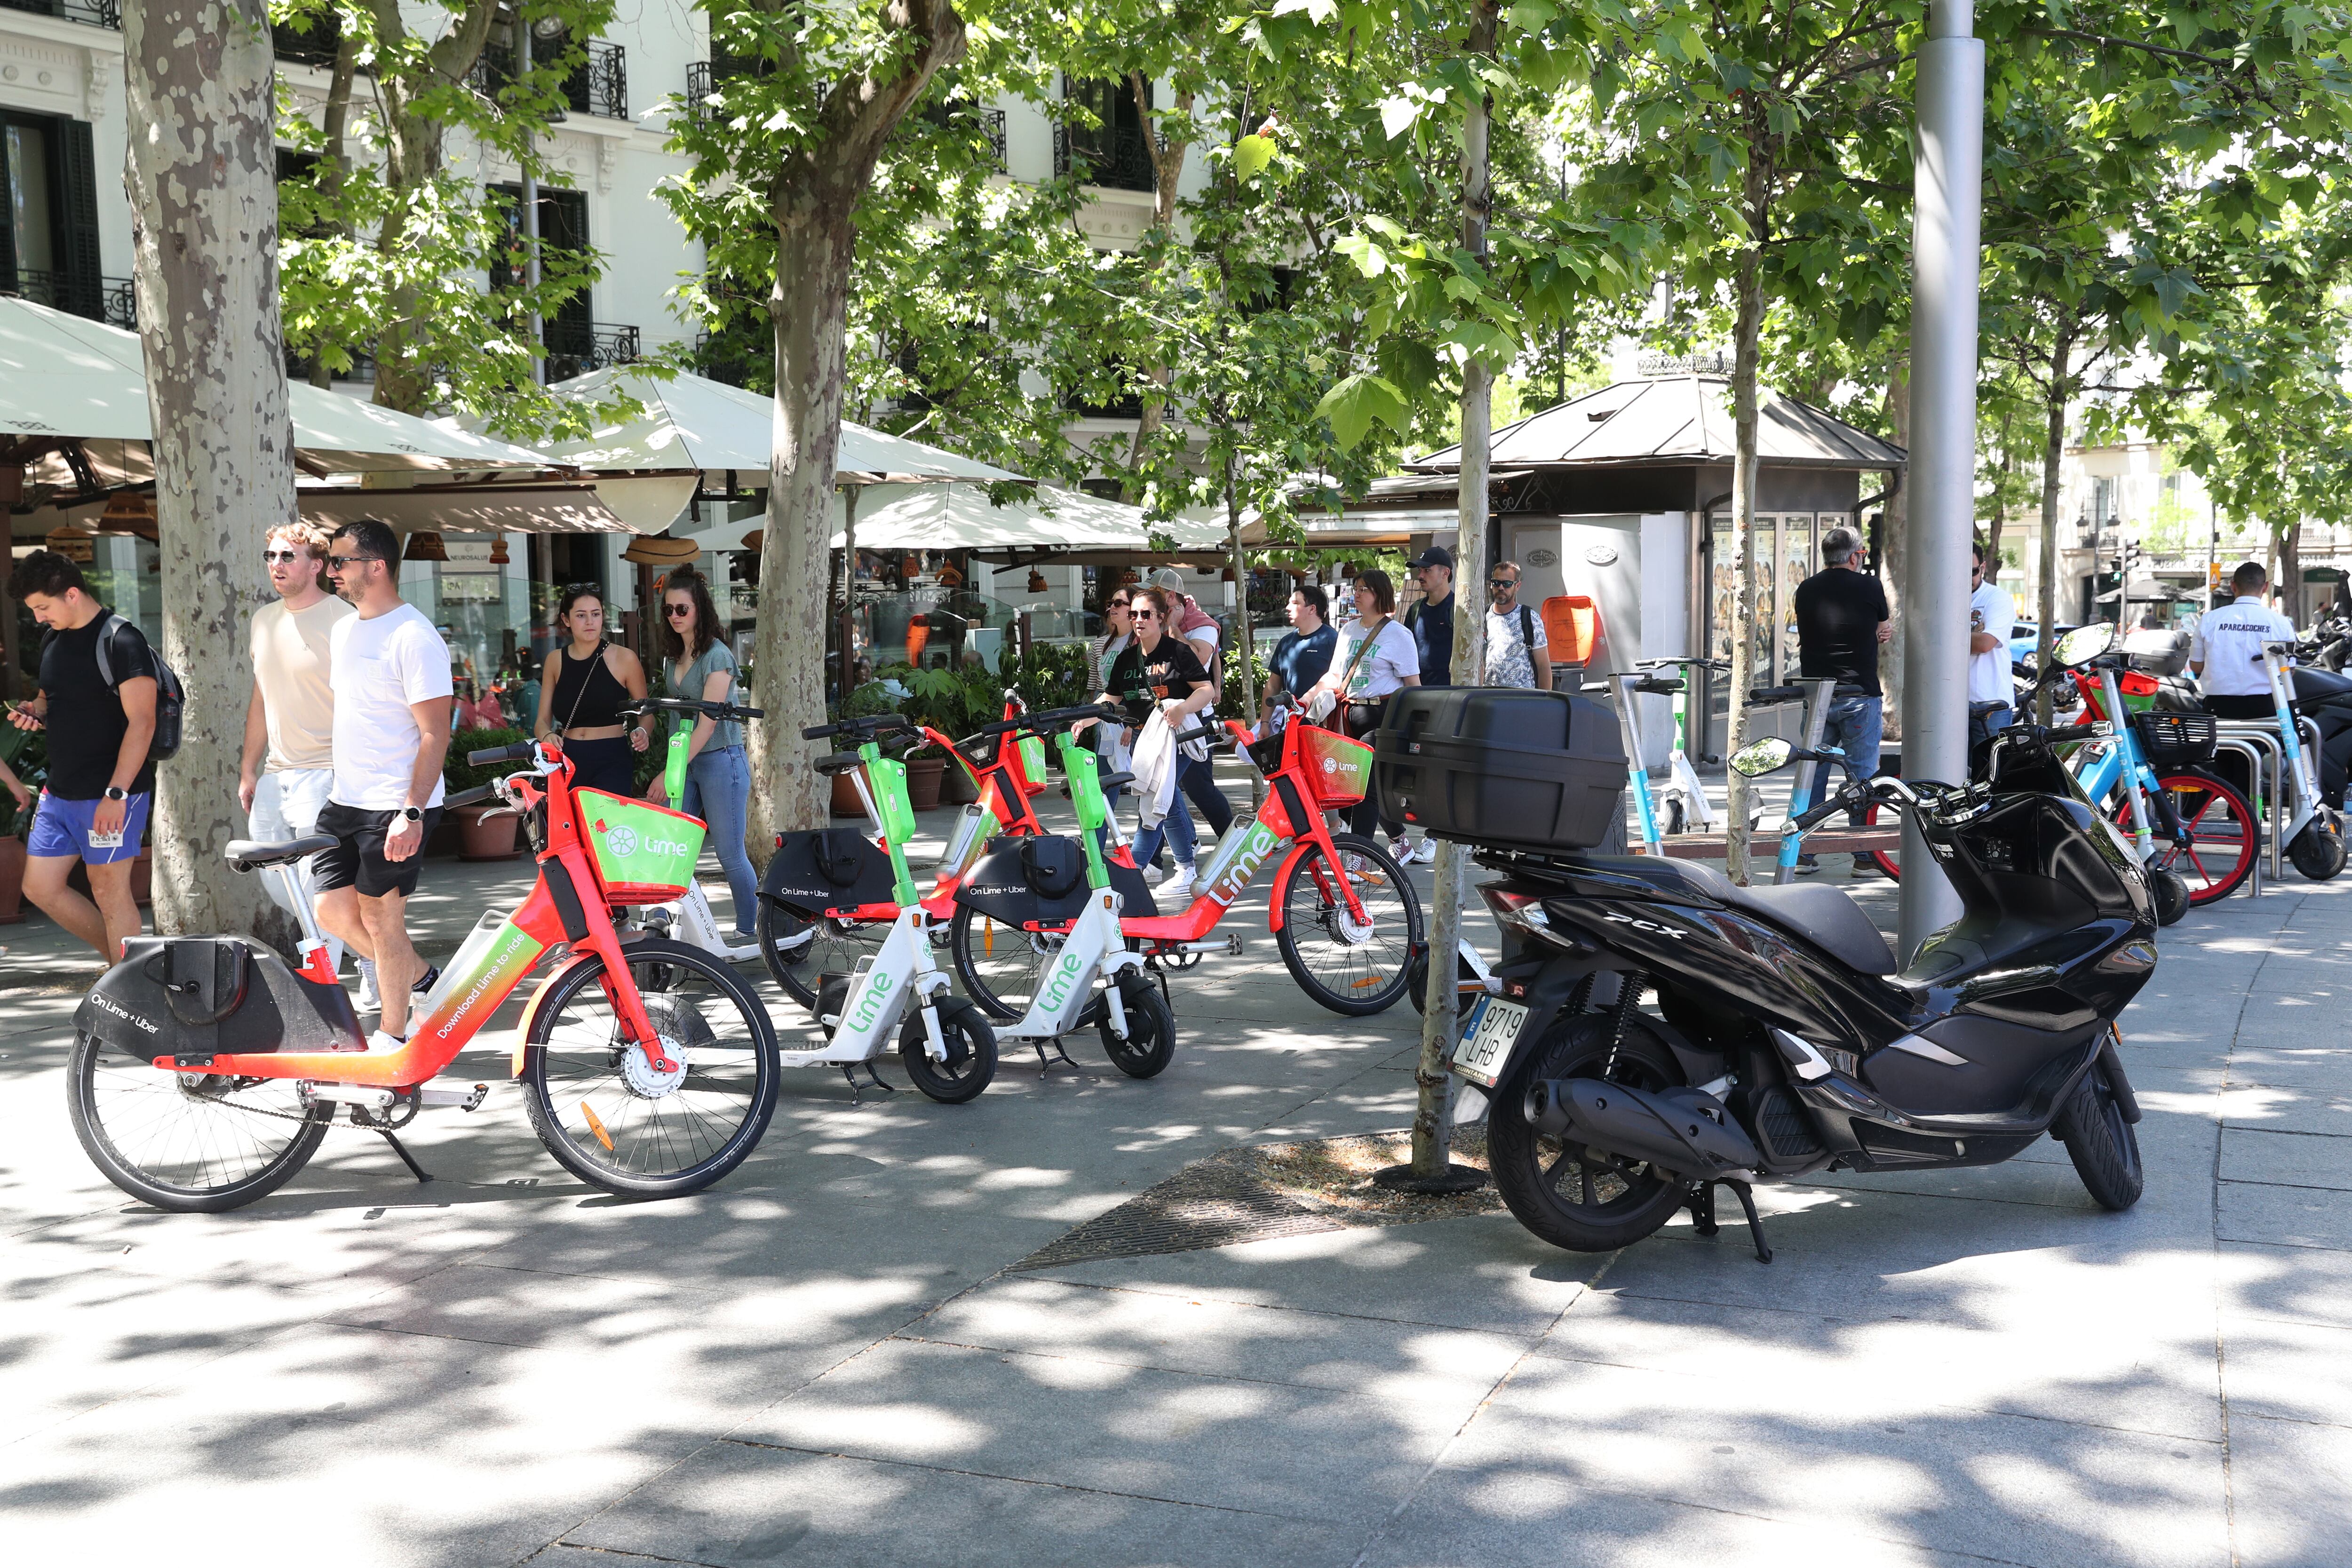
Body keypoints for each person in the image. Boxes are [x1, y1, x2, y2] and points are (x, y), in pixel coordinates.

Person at [314, 519, 453, 1049]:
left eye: (339, 561)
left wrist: (412, 812)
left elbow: (434, 733)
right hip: (344, 798)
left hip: (395, 805)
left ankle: (393, 1039)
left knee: (379, 917)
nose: (332, 571)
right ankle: (420, 978)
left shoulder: (414, 637)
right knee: (331, 910)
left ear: (376, 567)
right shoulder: (345, 628)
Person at [5, 549, 156, 961]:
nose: (37, 617)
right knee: (40, 887)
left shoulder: (122, 641)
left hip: (112, 791)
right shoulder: (53, 636)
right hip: (61, 789)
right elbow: (49, 696)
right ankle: (121, 969)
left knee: (109, 889)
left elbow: (143, 723)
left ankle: (129, 984)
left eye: (42, 607)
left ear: (72, 594)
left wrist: (117, 794)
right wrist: (34, 711)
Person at [239, 520, 357, 979]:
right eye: (271, 556)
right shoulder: (263, 620)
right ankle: (366, 948)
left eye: (288, 556)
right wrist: (249, 770)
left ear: (318, 566)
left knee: (315, 889)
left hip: (327, 772)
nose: (276, 565)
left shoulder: (345, 620)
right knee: (276, 881)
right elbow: (260, 698)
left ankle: (320, 987)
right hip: (276, 774)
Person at [1093, 587, 1217, 902]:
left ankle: (1144, 868)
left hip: (1178, 738)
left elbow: (1206, 690)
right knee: (1162, 798)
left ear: (1161, 618)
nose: (1138, 620)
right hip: (1143, 740)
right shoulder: (1126, 659)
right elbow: (1111, 698)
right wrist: (1085, 719)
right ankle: (1177, 864)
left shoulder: (1178, 652)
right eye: (1133, 614)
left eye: (1146, 614)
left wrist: (1183, 707)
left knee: (1158, 796)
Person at [660, 570, 759, 945]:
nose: (675, 614)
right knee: (672, 850)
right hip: (686, 760)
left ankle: (751, 930)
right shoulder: (675, 655)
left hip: (720, 759)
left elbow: (707, 723)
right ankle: (674, 930)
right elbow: (675, 714)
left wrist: (668, 771)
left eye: (682, 607)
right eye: (669, 609)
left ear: (699, 608)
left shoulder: (718, 655)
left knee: (730, 854)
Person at [1789, 525, 1892, 877]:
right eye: (1861, 554)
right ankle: (1863, 856)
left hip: (1817, 695)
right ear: (1853, 556)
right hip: (1859, 694)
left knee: (1810, 775)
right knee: (1863, 775)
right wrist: (1880, 631)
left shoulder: (1806, 589)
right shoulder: (1870, 586)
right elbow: (1882, 623)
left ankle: (1803, 853)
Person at [1306, 569, 1423, 863]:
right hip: (1349, 714)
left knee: (1365, 784)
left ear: (1380, 594)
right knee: (1358, 785)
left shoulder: (1399, 635)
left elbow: (1413, 687)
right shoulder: (1347, 630)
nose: (1357, 594)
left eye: (1364, 589)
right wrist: (1307, 700)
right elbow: (1335, 675)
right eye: (1356, 588)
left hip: (1383, 716)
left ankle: (1358, 853)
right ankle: (1400, 841)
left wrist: (1417, 726)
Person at [533, 584, 650, 797]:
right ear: (566, 620)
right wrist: (547, 735)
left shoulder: (625, 658)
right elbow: (541, 721)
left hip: (611, 757)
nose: (590, 621)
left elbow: (647, 712)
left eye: (596, 614)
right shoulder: (555, 660)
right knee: (568, 829)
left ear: (602, 617)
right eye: (581, 615)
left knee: (605, 827)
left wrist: (643, 732)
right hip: (567, 757)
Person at [1149, 567, 1235, 843]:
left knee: (1199, 789)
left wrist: (1174, 628)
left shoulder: (1203, 626)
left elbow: (1201, 660)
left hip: (1196, 720)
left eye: (1155, 592)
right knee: (1162, 788)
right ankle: (1174, 848)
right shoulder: (1162, 620)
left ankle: (1231, 842)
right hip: (1167, 716)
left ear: (1170, 596)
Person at [2191, 561, 2298, 721]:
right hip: (2265, 707)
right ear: (2265, 587)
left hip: (2218, 707)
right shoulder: (2281, 624)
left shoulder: (2208, 620)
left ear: (2233, 586)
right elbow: (2289, 670)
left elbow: (2196, 665)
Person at [1967, 541, 2017, 750]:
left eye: (1972, 571)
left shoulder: (1997, 598)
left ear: (1984, 568)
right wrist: (1973, 633)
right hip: (1948, 706)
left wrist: (1942, 636)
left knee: (1989, 775)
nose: (1965, 578)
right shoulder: (1938, 598)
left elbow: (1986, 643)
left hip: (1990, 705)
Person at [1265, 585, 1338, 708]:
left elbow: (1339, 680)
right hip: (1290, 722)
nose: (1288, 608)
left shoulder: (1334, 640)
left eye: (1295, 603)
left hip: (1323, 723)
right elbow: (1273, 686)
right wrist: (1265, 723)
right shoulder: (1286, 642)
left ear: (1312, 609)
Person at [1483, 561, 1551, 691]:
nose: (1501, 588)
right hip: (1488, 698)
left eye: (1507, 584)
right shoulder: (1483, 617)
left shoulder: (1530, 618)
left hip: (1522, 699)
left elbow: (1543, 666)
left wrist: (1545, 702)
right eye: (1496, 583)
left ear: (1518, 586)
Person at [1403, 545, 1457, 689]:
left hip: (1452, 696)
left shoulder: (1460, 611)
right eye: (1419, 570)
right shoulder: (1415, 610)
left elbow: (1478, 659)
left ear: (1445, 573)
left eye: (1427, 570)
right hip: (1418, 695)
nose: (1420, 576)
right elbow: (1404, 654)